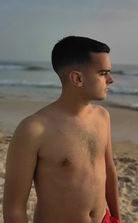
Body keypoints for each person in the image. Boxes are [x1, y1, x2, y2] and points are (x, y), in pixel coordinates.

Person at [3, 36, 122, 223]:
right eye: (103, 73)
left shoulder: (102, 117)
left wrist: (116, 218)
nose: (111, 79)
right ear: (77, 78)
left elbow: (109, 172)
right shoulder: (34, 129)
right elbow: (14, 209)